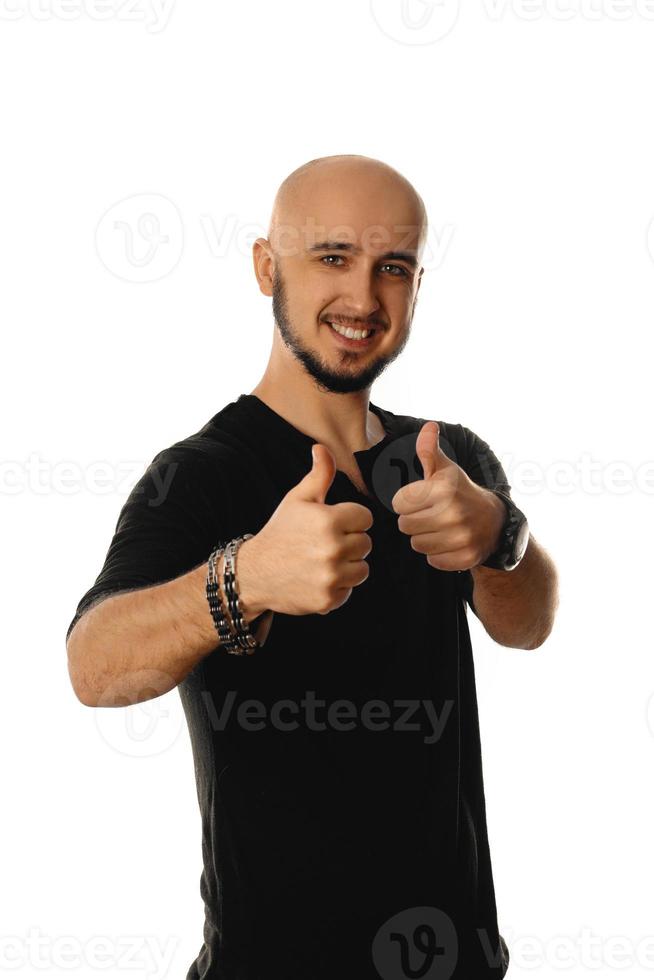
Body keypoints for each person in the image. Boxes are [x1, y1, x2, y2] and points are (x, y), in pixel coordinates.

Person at [66, 154, 559, 979]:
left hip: (458, 956)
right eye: (333, 257)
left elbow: (530, 624)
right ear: (267, 267)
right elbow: (93, 664)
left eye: (392, 268)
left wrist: (499, 534)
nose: (364, 299)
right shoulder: (203, 473)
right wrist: (245, 579)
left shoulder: (444, 456)